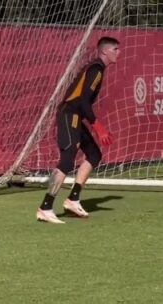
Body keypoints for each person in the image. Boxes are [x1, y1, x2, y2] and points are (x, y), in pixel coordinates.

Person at [36, 36, 119, 224]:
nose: (118, 52)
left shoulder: (98, 69)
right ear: (105, 51)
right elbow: (82, 102)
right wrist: (98, 127)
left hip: (75, 116)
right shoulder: (96, 68)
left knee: (94, 154)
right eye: (115, 49)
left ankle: (73, 199)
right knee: (67, 158)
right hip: (69, 114)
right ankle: (45, 207)